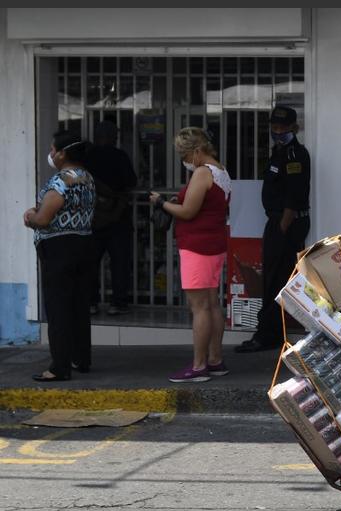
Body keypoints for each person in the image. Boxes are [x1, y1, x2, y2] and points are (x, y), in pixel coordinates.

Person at [149, 128, 230, 383]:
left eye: (185, 154)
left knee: (199, 307)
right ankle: (215, 360)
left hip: (198, 246)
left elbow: (187, 212)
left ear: (197, 151)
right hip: (215, 244)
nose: (184, 159)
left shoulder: (203, 172)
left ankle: (198, 366)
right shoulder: (222, 172)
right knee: (212, 303)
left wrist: (161, 202)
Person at [236, 106, 311, 353]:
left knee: (276, 280)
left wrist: (281, 228)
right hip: (279, 222)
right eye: (274, 127)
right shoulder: (279, 152)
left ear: (294, 128)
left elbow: (294, 197)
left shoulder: (295, 156)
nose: (277, 132)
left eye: (283, 127)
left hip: (287, 224)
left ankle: (266, 334)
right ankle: (272, 331)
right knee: (274, 278)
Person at [23, 130, 95, 382]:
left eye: (54, 149)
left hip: (58, 249)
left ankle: (59, 367)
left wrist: (30, 217)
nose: (51, 154)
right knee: (78, 305)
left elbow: (44, 219)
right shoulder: (86, 177)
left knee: (58, 308)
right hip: (84, 244)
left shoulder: (61, 180)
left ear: (64, 153)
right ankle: (80, 358)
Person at [84, 120, 138, 316]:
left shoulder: (86, 157)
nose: (116, 139)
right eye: (114, 135)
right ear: (109, 136)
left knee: (90, 262)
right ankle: (118, 303)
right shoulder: (120, 156)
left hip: (93, 218)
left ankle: (91, 302)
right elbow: (131, 181)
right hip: (118, 217)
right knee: (120, 262)